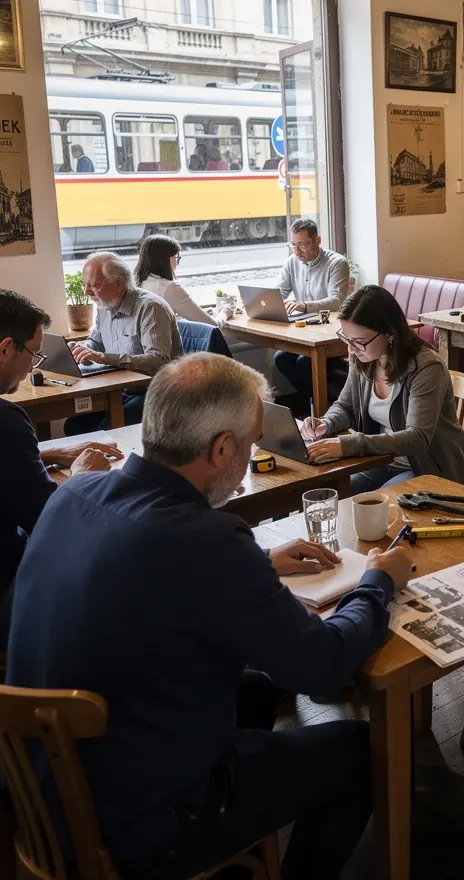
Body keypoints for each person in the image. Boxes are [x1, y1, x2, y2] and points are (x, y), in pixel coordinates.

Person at [6, 352, 414, 879]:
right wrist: (378, 581)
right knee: (359, 751)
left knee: (258, 688)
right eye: (248, 445)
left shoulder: (76, 492)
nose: (248, 457)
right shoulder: (206, 541)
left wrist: (260, 565)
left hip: (44, 786)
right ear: (221, 449)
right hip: (135, 824)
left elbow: (145, 574)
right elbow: (323, 667)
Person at [0, 289, 121, 644]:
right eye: (34, 354)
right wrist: (83, 475)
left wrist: (49, 455)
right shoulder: (6, 422)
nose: (32, 366)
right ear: (6, 348)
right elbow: (50, 522)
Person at [300, 284, 464, 494]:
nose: (351, 349)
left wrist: (349, 444)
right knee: (327, 494)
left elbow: (417, 438)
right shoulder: (366, 357)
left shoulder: (426, 367)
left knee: (373, 506)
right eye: (346, 338)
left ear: (390, 334)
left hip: (428, 467)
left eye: (359, 341)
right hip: (382, 460)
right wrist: (326, 423)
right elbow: (345, 406)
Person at [64, 251, 183, 434]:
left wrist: (104, 357)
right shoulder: (105, 305)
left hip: (157, 392)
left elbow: (158, 361)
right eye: (85, 285)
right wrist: (81, 349)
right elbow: (95, 342)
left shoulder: (150, 308)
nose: (87, 292)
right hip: (122, 390)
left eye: (94, 285)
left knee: (106, 428)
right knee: (75, 425)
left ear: (118, 283)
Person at [272, 217, 350, 406]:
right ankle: (317, 402)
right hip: (305, 330)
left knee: (303, 362)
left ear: (317, 241)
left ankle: (324, 406)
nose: (297, 251)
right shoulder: (292, 262)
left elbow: (336, 301)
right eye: (293, 245)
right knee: (281, 358)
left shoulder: (337, 263)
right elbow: (279, 292)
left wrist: (304, 306)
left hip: (330, 332)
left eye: (303, 245)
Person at [134, 234, 233, 328]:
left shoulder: (136, 282)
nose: (177, 262)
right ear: (164, 260)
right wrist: (225, 312)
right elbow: (213, 326)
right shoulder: (169, 288)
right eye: (176, 257)